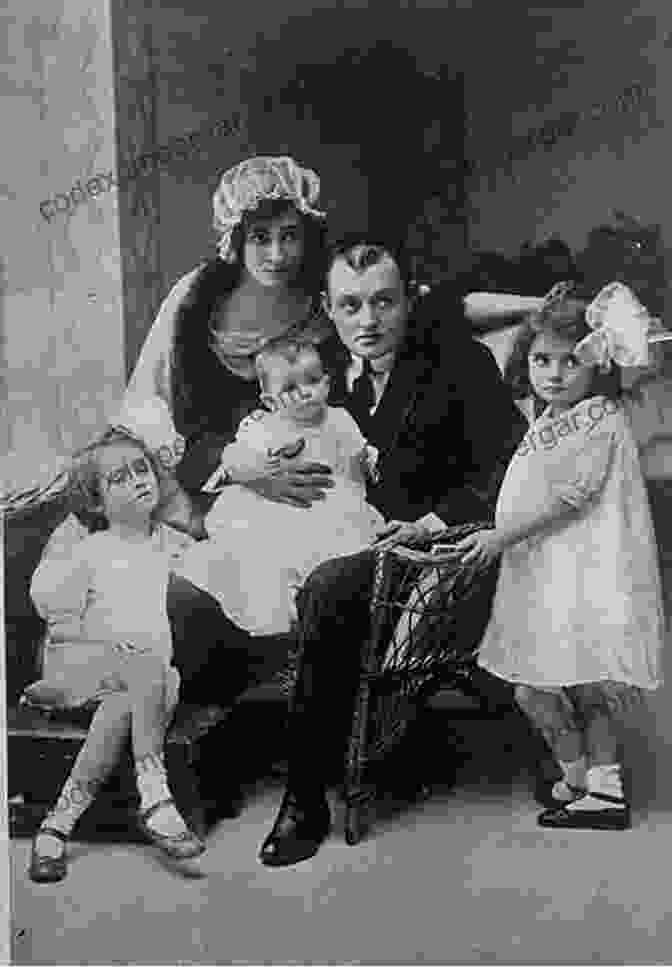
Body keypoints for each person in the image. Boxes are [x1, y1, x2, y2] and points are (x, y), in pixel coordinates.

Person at [258, 235, 530, 867]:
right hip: (316, 529)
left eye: (383, 302)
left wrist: (432, 521)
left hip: (410, 550)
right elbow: (260, 424)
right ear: (328, 308)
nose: (368, 321)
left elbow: (506, 465)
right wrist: (258, 475)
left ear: (408, 301)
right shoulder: (313, 369)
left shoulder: (456, 363)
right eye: (351, 306)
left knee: (329, 586)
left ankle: (303, 798)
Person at [457, 282, 665, 830]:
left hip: (585, 572)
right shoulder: (547, 416)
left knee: (589, 681)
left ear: (596, 364)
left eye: (570, 361)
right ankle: (578, 775)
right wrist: (535, 309)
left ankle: (602, 788)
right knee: (536, 685)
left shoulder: (598, 415)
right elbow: (471, 316)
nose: (553, 373)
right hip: (549, 573)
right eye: (541, 360)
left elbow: (572, 496)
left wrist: (501, 537)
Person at [27, 428, 205, 884]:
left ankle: (57, 825)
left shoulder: (178, 545)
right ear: (96, 500)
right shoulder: (89, 550)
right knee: (149, 670)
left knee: (142, 687)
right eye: (119, 479)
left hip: (140, 683)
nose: (137, 481)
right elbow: (54, 610)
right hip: (87, 668)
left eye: (141, 469)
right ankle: (155, 793)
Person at [180, 338, 384, 635]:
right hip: (279, 510)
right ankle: (278, 614)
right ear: (270, 400)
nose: (304, 393)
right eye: (289, 389)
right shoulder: (265, 426)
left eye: (312, 381)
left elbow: (358, 456)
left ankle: (319, 609)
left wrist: (367, 461)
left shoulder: (340, 420)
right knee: (265, 555)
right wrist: (250, 467)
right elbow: (236, 460)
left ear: (326, 382)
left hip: (335, 509)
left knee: (337, 558)